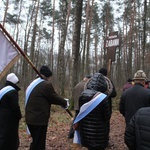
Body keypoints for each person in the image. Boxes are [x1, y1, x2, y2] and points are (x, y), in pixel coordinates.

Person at [25, 65, 68, 150]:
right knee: (39, 144)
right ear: (47, 76)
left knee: (35, 141)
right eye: (49, 77)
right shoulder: (45, 85)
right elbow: (53, 97)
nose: (50, 79)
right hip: (39, 120)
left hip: (30, 118)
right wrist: (65, 102)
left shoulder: (33, 84)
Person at [74, 73, 111, 150]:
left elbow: (81, 112)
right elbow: (107, 117)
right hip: (99, 133)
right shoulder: (103, 98)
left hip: (85, 131)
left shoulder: (83, 95)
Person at [0, 73, 22, 150]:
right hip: (10, 120)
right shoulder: (12, 92)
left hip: (2, 117)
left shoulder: (2, 89)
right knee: (10, 139)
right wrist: (19, 116)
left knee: (2, 136)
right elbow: (15, 107)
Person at [68, 75, 91, 139]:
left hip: (77, 106)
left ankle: (71, 134)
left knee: (76, 120)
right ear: (88, 79)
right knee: (81, 122)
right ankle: (76, 135)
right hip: (83, 106)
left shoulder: (77, 85)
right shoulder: (86, 86)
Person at [99, 68, 117, 147]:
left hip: (94, 106)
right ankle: (106, 142)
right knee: (106, 124)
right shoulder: (109, 82)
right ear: (106, 73)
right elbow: (113, 94)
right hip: (107, 106)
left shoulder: (94, 81)